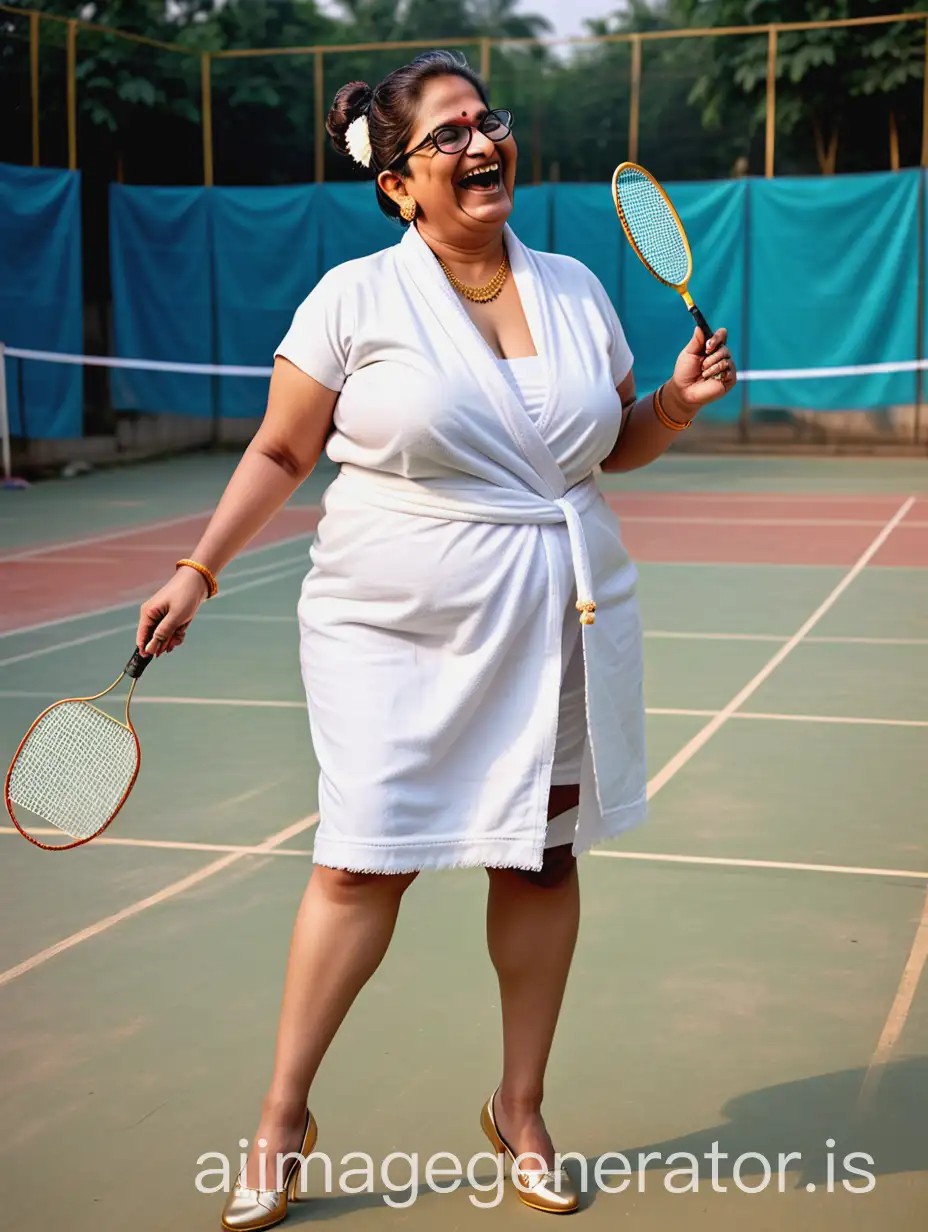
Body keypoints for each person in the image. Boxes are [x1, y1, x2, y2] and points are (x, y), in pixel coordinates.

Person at [136, 50, 736, 1229]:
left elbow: (603, 446)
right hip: (389, 623)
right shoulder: (352, 299)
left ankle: (519, 1104)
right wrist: (198, 566)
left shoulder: (572, 285)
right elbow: (278, 452)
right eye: (450, 134)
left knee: (540, 855)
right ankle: (281, 1113)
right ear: (400, 183)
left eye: (489, 123)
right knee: (362, 858)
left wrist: (668, 405)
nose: (482, 144)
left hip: (555, 605)